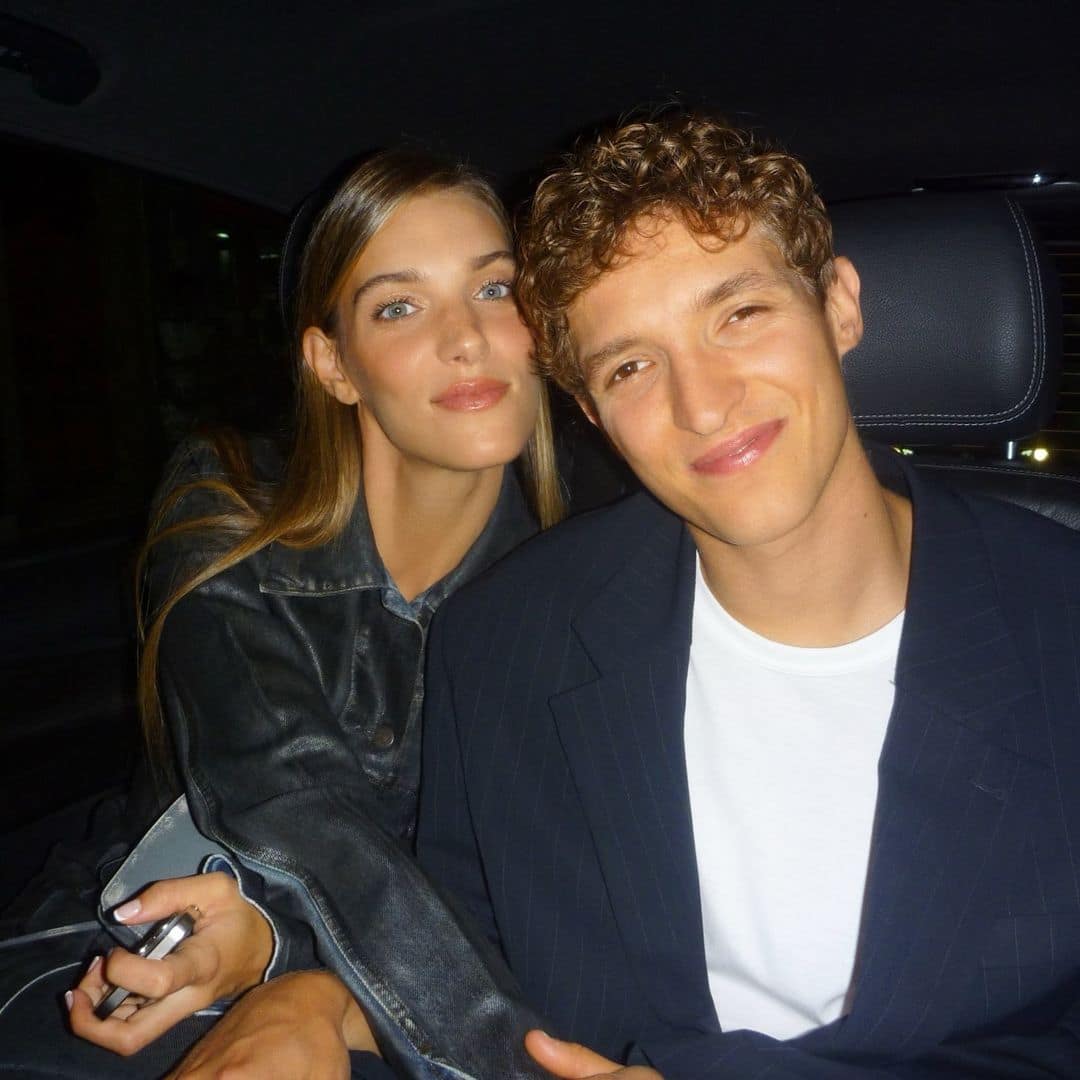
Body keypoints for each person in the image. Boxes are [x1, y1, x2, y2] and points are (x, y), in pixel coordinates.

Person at [152, 111, 1080, 1078]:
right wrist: (313, 996)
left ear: (839, 305)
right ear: (590, 408)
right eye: (632, 364)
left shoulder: (1058, 619)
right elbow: (472, 928)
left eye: (739, 315)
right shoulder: (510, 640)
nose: (704, 403)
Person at [2, 148, 565, 1078]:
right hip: (136, 934)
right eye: (399, 305)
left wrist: (296, 977)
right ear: (332, 362)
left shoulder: (595, 565)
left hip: (395, 983)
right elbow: (293, 808)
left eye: (495, 289)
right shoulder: (229, 510)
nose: (466, 338)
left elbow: (551, 886)